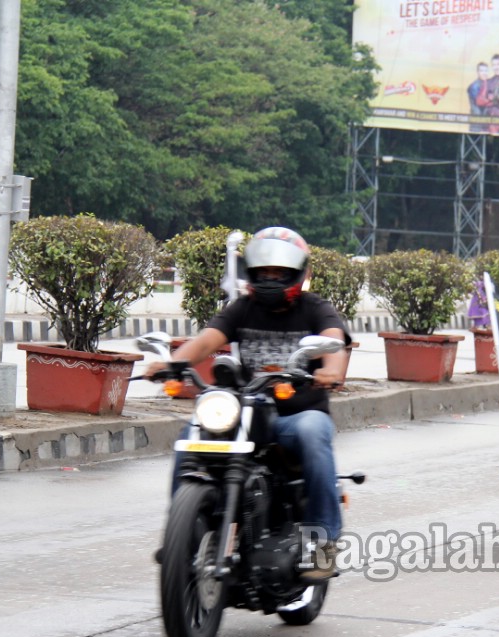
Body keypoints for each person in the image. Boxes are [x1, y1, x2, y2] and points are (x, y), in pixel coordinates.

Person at [145, 226, 349, 581]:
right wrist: (172, 364)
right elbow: (207, 341)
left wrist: (330, 370)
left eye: (280, 273)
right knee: (188, 437)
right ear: (251, 274)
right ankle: (182, 533)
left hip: (297, 414)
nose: (271, 279)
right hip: (247, 411)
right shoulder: (243, 309)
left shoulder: (316, 309)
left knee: (315, 433)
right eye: (264, 272)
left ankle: (322, 543)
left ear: (298, 274)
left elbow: (334, 340)